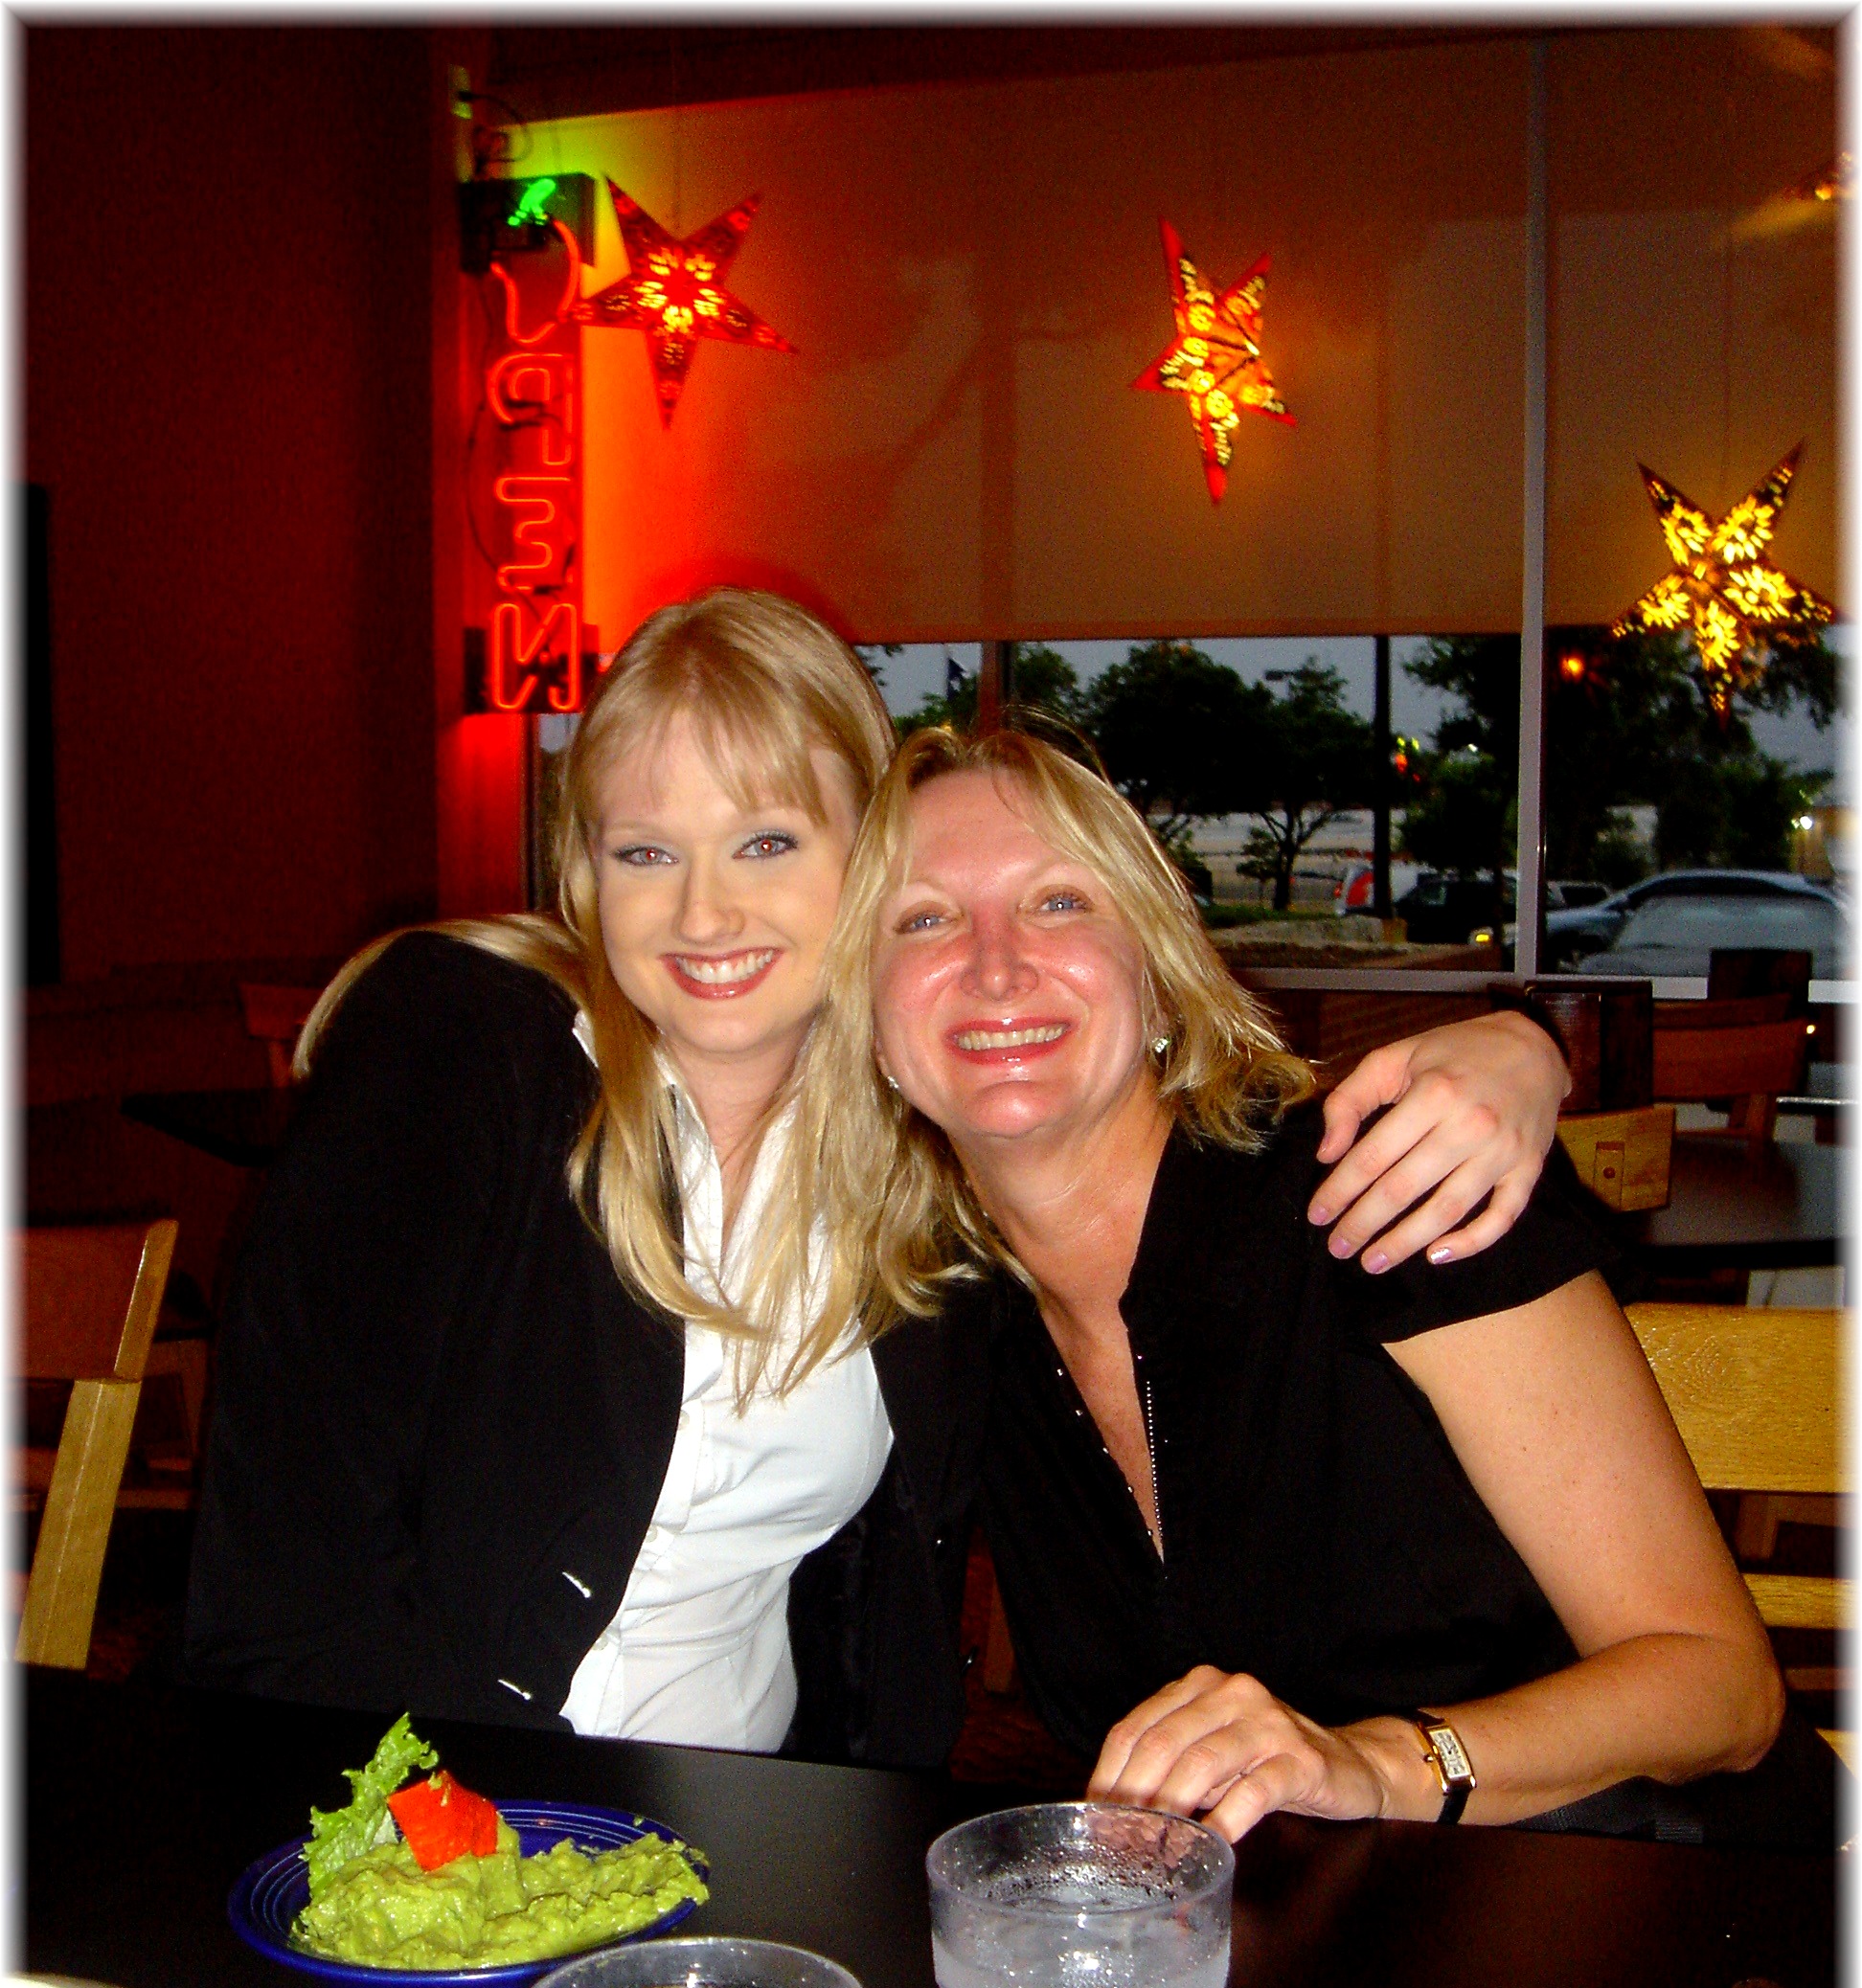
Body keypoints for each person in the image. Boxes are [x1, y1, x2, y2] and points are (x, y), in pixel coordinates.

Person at [183, 592, 1574, 1766]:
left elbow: (882, 1620)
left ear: (865, 863)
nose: (705, 910)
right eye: (646, 851)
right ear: (586, 874)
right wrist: (467, 1874)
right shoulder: (470, 1057)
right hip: (423, 1834)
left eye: (768, 842)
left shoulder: (922, 1171)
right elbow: (284, 1596)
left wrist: (1524, 1047)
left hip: (753, 1847)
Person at [812, 722, 1787, 1834]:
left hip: (1635, 1876)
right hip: (1266, 1917)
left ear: (1160, 979)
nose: (995, 965)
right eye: (924, 920)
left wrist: (1373, 1766)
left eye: (1060, 901)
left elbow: (1724, 1690)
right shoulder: (945, 1325)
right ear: (872, 1023)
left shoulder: (1389, 1187)